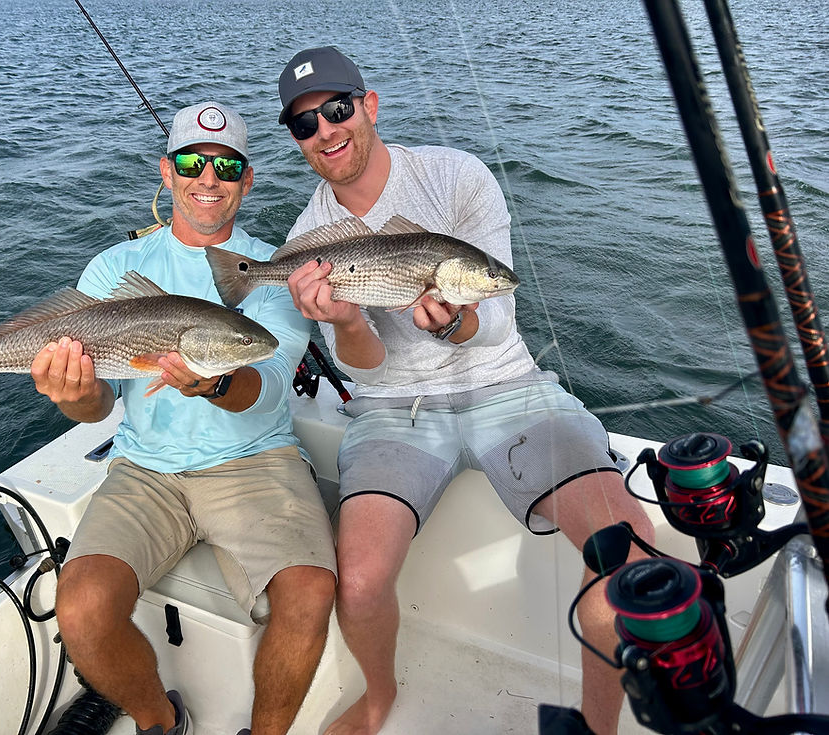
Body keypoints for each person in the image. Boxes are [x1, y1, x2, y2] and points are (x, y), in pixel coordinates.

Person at [276, 47, 655, 735]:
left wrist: (457, 323)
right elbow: (360, 367)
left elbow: (498, 309)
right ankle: (379, 697)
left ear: (369, 105)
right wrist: (348, 318)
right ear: (296, 140)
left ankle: (598, 728)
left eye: (336, 109)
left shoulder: (456, 176)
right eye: (305, 125)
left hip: (506, 385)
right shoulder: (309, 238)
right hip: (393, 408)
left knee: (625, 557)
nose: (326, 131)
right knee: (357, 582)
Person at [30, 101, 337, 735]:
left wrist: (218, 382)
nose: (208, 179)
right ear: (167, 172)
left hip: (255, 458)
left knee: (309, 592)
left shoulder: (269, 269)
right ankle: (157, 720)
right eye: (193, 162)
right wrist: (71, 394)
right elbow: (101, 407)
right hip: (145, 468)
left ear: (247, 181)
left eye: (226, 167)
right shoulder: (116, 268)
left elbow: (271, 385)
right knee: (80, 605)